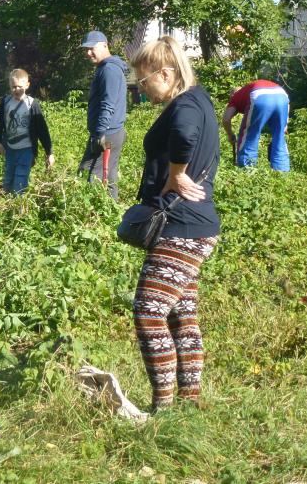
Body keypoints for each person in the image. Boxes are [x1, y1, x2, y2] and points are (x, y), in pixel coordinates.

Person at [129, 36, 220, 412]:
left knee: (149, 311)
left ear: (166, 74)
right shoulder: (198, 100)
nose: (141, 88)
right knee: (182, 314)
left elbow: (184, 137)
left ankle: (162, 408)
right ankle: (188, 403)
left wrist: (176, 174)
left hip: (182, 227)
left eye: (144, 80)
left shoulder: (184, 104)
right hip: (193, 225)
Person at [78, 30, 128, 199]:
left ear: (105, 45)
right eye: (86, 49)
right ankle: (112, 211)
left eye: (92, 48)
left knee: (88, 174)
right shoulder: (105, 68)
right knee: (108, 173)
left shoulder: (109, 70)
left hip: (107, 133)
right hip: (109, 131)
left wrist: (100, 133)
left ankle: (93, 216)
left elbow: (108, 104)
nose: (88, 52)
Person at [0, 69, 55, 194]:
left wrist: (49, 152)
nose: (17, 90)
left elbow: (42, 130)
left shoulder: (32, 104)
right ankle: (8, 206)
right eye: (13, 87)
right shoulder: (6, 102)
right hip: (10, 149)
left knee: (20, 181)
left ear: (27, 85)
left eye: (20, 87)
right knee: (8, 179)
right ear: (10, 86)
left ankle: (18, 208)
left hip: (27, 149)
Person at [222, 79, 290, 171]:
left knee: (249, 135)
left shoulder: (236, 96)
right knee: (279, 137)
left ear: (232, 95)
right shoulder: (246, 91)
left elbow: (226, 119)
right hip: (282, 96)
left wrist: (230, 134)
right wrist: (284, 124)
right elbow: (287, 104)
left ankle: (246, 170)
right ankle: (282, 172)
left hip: (259, 95)